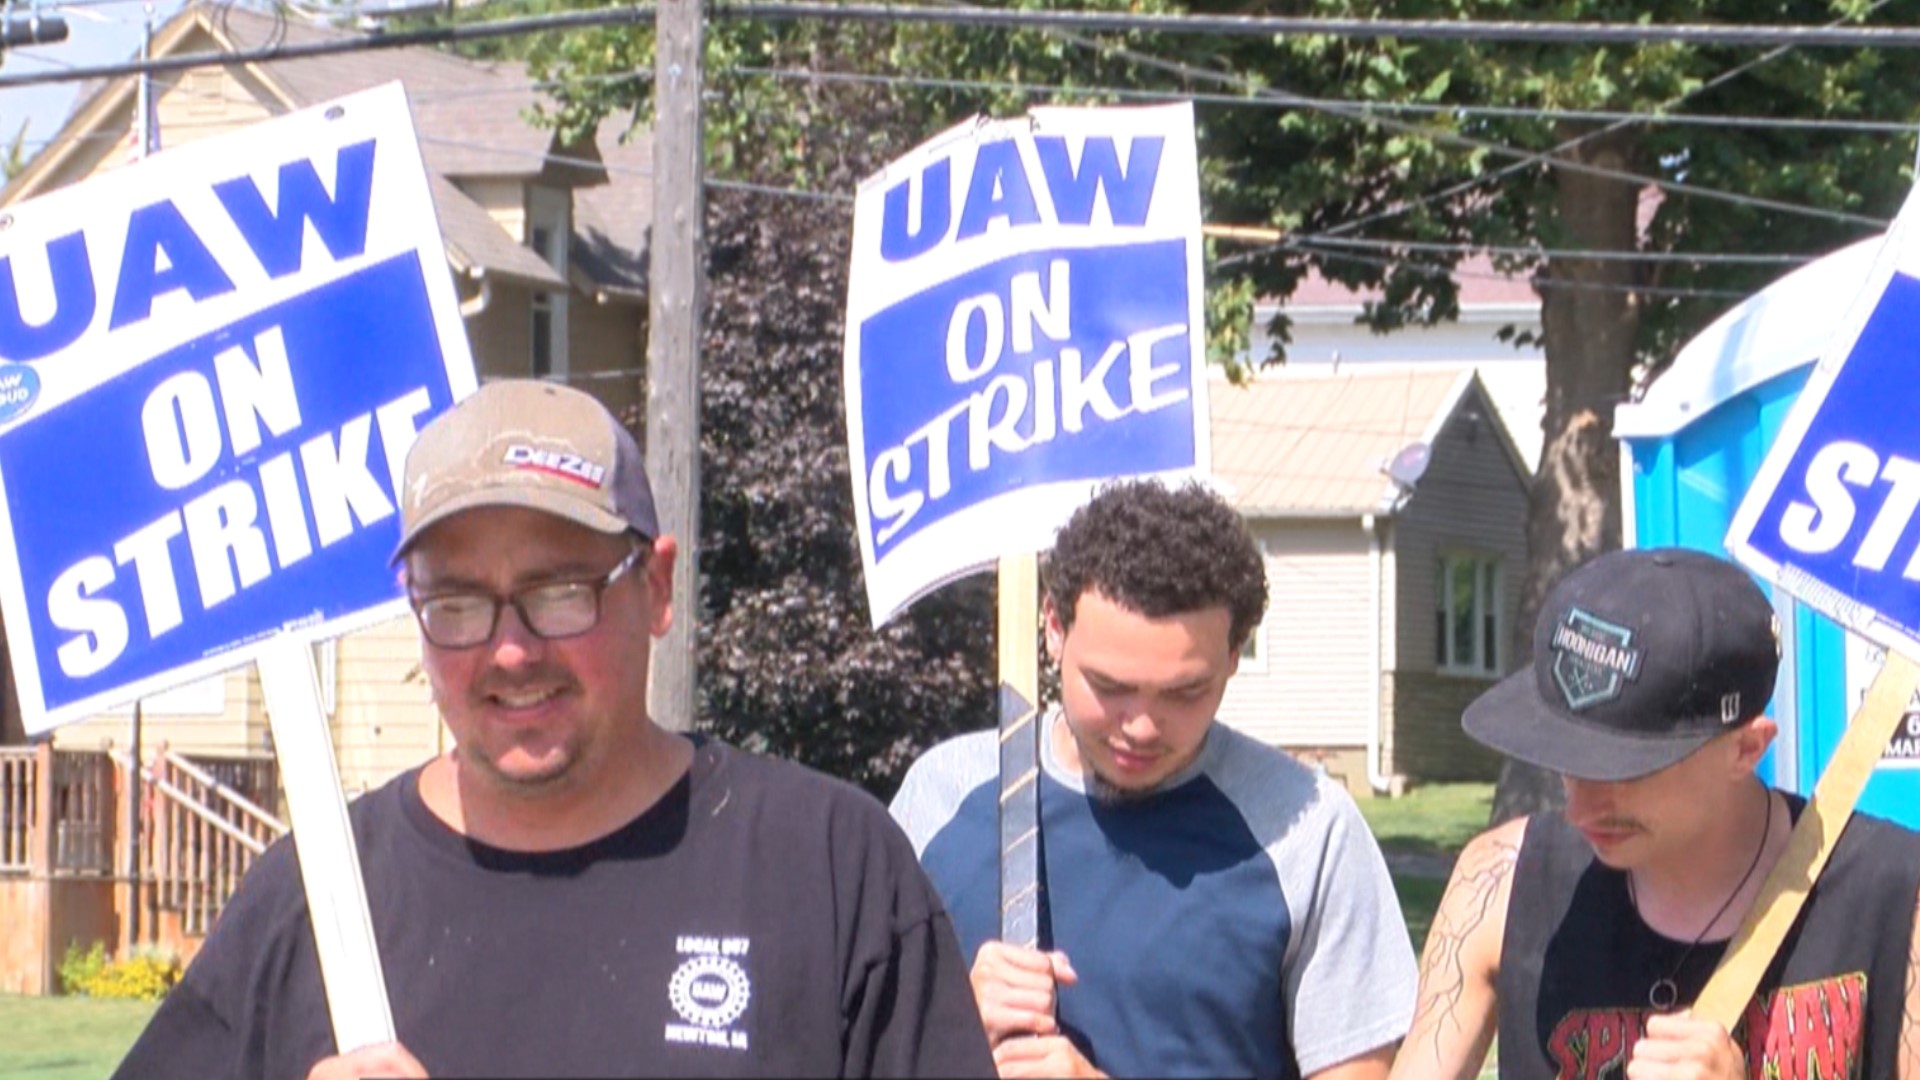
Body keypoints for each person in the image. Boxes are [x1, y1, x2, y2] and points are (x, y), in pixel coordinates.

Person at [113, 380, 995, 1080]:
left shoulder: (828, 869)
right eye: (455, 604)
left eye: (558, 593)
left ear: (655, 587)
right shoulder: (312, 901)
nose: (508, 651)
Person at [890, 479, 1418, 1080]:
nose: (1141, 727)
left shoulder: (1305, 830)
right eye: (1109, 687)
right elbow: (847, 1041)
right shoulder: (944, 797)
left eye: (1185, 692)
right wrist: (947, 1022)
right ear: (1053, 628)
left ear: (1234, 653)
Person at [1390, 546, 1920, 1080]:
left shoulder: (1895, 892)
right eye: (1568, 761)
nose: (1580, 807)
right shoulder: (1499, 882)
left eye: (1629, 770)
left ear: (1746, 748)